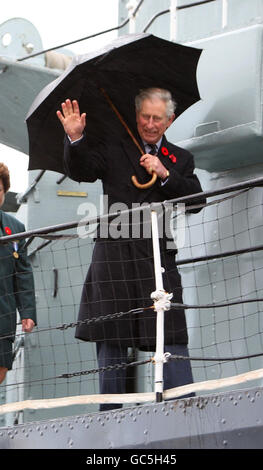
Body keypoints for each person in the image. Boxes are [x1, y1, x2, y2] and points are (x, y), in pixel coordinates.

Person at [57, 87, 205, 410]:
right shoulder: (114, 148)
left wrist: (165, 174)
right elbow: (82, 170)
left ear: (170, 120)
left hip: (158, 261)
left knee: (172, 335)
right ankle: (111, 419)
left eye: (157, 118)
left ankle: (186, 411)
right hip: (115, 262)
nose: (150, 124)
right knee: (113, 342)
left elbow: (197, 200)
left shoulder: (180, 159)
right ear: (136, 115)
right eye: (144, 117)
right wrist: (76, 139)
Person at [0, 163, 36, 384]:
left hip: (2, 314)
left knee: (1, 370)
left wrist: (27, 312)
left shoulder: (14, 228)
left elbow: (23, 271)